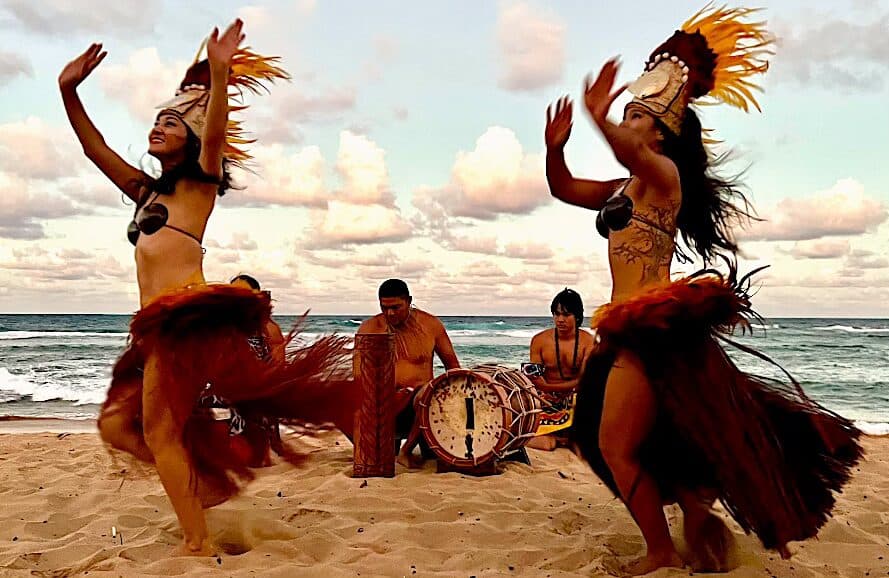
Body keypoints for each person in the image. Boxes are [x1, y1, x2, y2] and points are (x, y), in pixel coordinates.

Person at [544, 5, 862, 575]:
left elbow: (630, 150)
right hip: (623, 330)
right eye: (627, 113)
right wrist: (556, 147)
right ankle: (692, 511)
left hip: (652, 331)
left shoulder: (665, 180)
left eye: (636, 114)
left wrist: (599, 118)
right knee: (643, 438)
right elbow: (563, 188)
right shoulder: (622, 188)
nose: (627, 120)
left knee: (617, 446)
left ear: (662, 135)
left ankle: (662, 550)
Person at [60, 20, 348, 556]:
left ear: (189, 138)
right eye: (157, 120)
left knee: (160, 433)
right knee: (118, 426)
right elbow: (93, 148)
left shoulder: (197, 187)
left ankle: (197, 542)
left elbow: (213, 135)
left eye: (171, 123)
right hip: (155, 331)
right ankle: (208, 489)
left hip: (185, 324)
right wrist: (68, 91)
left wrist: (218, 76)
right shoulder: (146, 192)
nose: (158, 127)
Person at [354, 279, 460, 466]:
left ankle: (406, 451)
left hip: (424, 405)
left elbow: (453, 367)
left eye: (396, 307)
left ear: (409, 301)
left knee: (426, 393)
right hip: (384, 404)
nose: (390, 313)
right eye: (384, 307)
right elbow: (358, 373)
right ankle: (380, 445)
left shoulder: (430, 325)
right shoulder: (370, 328)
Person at [525, 288, 596, 451]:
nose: (560, 319)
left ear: (577, 316)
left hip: (575, 397)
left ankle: (563, 437)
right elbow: (535, 378)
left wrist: (549, 387)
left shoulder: (588, 342)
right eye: (556, 314)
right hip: (545, 399)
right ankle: (560, 439)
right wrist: (546, 389)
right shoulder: (539, 340)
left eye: (566, 315)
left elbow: (584, 381)